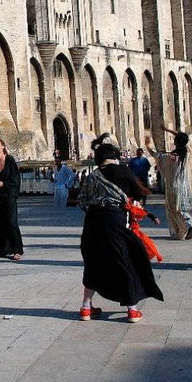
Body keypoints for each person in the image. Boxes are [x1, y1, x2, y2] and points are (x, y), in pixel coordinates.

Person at [77, 135, 162, 323]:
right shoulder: (123, 171)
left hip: (92, 222)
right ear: (114, 156)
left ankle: (85, 308)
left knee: (93, 263)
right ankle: (132, 310)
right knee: (126, 260)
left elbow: (81, 201)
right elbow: (137, 194)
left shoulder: (93, 176)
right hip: (115, 220)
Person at [144, 129, 192, 240]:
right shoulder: (188, 151)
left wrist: (148, 146)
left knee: (174, 208)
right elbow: (182, 137)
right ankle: (190, 224)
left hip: (174, 186)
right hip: (186, 186)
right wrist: (168, 130)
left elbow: (155, 155)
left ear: (176, 142)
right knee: (186, 206)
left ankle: (180, 230)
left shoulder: (169, 157)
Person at [0, 136, 24, 260]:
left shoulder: (10, 160)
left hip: (9, 196)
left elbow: (16, 180)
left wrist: (4, 184)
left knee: (11, 222)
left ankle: (17, 250)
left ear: (3, 146)